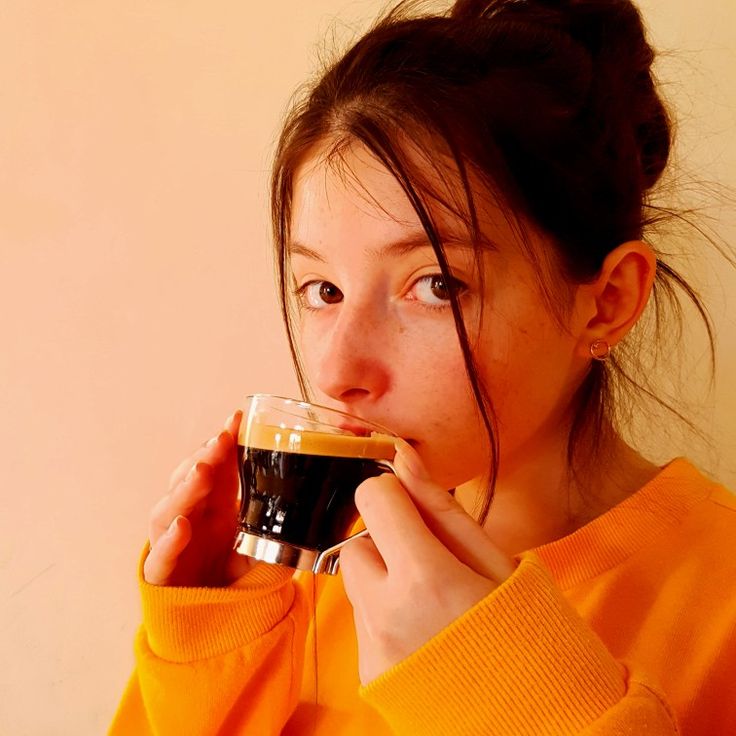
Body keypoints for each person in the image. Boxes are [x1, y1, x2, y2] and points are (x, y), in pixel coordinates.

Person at [110, 0, 736, 733]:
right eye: (323, 290)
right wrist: (209, 645)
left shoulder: (718, 599)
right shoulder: (294, 573)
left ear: (606, 302)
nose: (340, 369)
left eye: (435, 285)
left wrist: (510, 690)